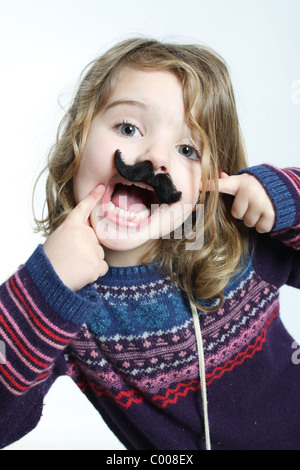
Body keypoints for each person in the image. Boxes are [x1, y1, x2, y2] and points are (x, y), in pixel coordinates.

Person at [0, 38, 299, 450]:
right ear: (79, 137)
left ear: (212, 180)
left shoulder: (234, 245)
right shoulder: (62, 305)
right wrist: (43, 288)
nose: (157, 157)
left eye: (187, 149)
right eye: (128, 128)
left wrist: (285, 199)